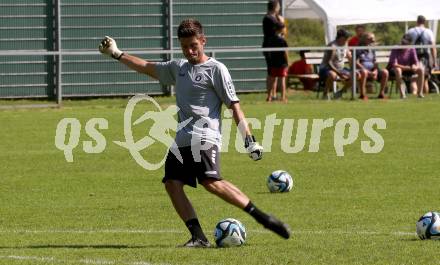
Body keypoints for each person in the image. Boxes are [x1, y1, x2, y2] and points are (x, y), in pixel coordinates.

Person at [99, 19, 291, 248]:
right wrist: (116, 53)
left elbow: (234, 106)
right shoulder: (178, 68)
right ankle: (198, 237)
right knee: (171, 183)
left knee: (210, 182)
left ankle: (263, 218)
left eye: (194, 45)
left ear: (203, 41)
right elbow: (146, 66)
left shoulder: (216, 69)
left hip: (204, 137)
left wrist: (250, 140)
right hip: (181, 140)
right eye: (185, 47)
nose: (190, 51)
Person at [262, 0, 287, 102]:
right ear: (275, 7)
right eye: (278, 7)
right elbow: (282, 28)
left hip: (275, 47)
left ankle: (274, 94)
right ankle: (271, 95)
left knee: (275, 72)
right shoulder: (269, 19)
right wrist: (281, 21)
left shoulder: (273, 18)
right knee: (271, 72)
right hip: (271, 48)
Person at [406, 15, 438, 94]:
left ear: (417, 21)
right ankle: (424, 98)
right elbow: (433, 48)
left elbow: (405, 45)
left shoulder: (410, 31)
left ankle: (414, 96)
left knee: (414, 78)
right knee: (425, 79)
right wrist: (434, 61)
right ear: (424, 22)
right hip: (425, 57)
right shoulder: (429, 32)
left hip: (413, 56)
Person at [387, 34, 424, 98]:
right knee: (398, 70)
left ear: (409, 43)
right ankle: (402, 94)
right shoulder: (395, 48)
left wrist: (415, 66)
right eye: (402, 42)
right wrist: (405, 67)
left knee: (421, 70)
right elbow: (394, 64)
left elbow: (416, 61)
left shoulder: (412, 49)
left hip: (409, 69)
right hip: (397, 69)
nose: (403, 44)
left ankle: (420, 93)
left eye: (405, 43)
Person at [319, 28, 353, 99]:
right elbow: (329, 62)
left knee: (356, 75)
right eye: (347, 37)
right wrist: (339, 74)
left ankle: (340, 93)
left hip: (341, 69)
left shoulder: (345, 44)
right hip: (326, 69)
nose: (348, 39)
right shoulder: (333, 46)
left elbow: (349, 57)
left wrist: (353, 69)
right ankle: (325, 94)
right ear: (341, 38)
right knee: (333, 75)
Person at [356, 32, 389, 99]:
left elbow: (374, 62)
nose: (373, 40)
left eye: (373, 38)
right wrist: (368, 72)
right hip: (362, 71)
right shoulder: (358, 49)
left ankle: (381, 94)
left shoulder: (372, 49)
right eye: (371, 38)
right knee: (364, 72)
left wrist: (375, 71)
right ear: (365, 39)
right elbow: (356, 63)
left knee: (385, 72)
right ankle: (362, 95)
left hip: (372, 70)